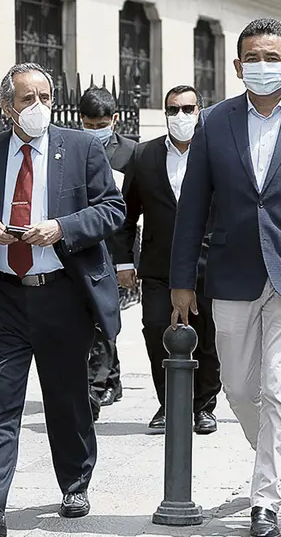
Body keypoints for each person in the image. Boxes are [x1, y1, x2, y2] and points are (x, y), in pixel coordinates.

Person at [169, 17, 281, 537]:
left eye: (271, 57)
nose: (262, 66)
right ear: (236, 66)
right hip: (230, 272)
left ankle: (265, 500)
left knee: (279, 389)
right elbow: (192, 207)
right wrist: (182, 279)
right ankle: (272, 448)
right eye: (252, 57)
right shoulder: (214, 121)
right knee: (237, 387)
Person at [0, 62, 126, 536]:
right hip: (5, 295)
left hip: (62, 293)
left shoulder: (81, 147)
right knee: (4, 396)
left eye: (44, 97)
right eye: (27, 99)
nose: (38, 106)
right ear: (8, 107)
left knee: (65, 397)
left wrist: (63, 228)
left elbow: (112, 209)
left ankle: (75, 481)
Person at [112, 85, 221, 435]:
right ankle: (170, 404)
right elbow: (126, 215)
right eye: (173, 110)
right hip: (159, 265)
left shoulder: (216, 152)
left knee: (207, 334)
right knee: (158, 329)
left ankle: (203, 404)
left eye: (188, 108)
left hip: (209, 264)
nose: (181, 116)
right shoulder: (144, 156)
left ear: (200, 110)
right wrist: (123, 261)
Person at [80, 86, 137, 414]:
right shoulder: (74, 148)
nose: (96, 130)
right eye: (90, 124)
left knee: (105, 317)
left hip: (118, 248)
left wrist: (129, 259)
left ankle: (97, 385)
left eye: (102, 124)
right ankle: (109, 378)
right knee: (97, 317)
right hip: (86, 246)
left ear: (114, 120)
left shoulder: (130, 152)